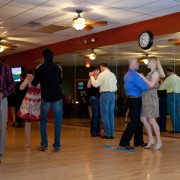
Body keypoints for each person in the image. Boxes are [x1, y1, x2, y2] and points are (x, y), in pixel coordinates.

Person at [31, 48, 63, 152]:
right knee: (58, 121)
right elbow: (60, 82)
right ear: (52, 56)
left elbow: (34, 83)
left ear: (43, 57)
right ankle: (56, 146)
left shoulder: (40, 69)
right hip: (57, 97)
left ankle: (44, 144)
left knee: (43, 121)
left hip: (45, 97)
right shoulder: (57, 68)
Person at [119, 58, 148, 150]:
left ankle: (139, 141)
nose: (138, 64)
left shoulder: (127, 74)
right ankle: (124, 142)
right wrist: (151, 82)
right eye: (137, 63)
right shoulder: (135, 75)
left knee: (139, 121)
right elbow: (144, 87)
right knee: (135, 121)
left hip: (132, 100)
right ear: (132, 64)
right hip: (135, 100)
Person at [139, 57, 165, 150]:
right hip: (145, 98)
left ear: (153, 63)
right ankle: (151, 140)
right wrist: (143, 77)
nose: (147, 63)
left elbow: (151, 85)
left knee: (151, 119)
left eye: (149, 62)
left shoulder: (156, 72)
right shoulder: (150, 73)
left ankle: (159, 141)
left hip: (151, 98)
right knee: (143, 118)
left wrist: (142, 77)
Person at [89, 63, 117, 139]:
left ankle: (107, 134)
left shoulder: (102, 74)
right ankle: (111, 134)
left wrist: (91, 77)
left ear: (102, 67)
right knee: (111, 114)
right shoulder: (112, 74)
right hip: (112, 95)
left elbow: (95, 84)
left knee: (104, 115)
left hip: (105, 94)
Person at [17, 68, 41, 148]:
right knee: (27, 122)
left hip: (38, 101)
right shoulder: (29, 77)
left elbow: (40, 87)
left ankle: (43, 142)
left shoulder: (42, 77)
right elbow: (21, 87)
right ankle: (28, 142)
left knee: (41, 121)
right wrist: (28, 79)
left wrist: (30, 80)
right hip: (29, 101)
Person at [0, 62, 14, 163]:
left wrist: (3, 93)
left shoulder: (5, 68)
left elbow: (12, 86)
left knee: (1, 127)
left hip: (2, 99)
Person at [158, 67, 180, 133]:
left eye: (166, 73)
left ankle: (176, 129)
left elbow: (161, 88)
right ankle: (178, 128)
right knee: (177, 112)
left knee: (172, 112)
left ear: (168, 72)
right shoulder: (179, 78)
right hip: (177, 95)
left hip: (171, 95)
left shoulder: (169, 78)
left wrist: (159, 85)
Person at [87, 67, 101, 137]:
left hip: (100, 98)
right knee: (95, 115)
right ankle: (93, 132)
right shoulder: (91, 78)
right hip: (93, 98)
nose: (97, 72)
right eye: (96, 70)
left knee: (99, 116)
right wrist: (90, 77)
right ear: (93, 71)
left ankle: (98, 131)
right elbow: (88, 86)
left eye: (98, 70)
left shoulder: (100, 78)